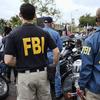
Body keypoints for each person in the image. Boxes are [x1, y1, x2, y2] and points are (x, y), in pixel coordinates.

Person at [4, 3, 60, 100]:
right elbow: (57, 51)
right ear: (34, 16)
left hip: (25, 76)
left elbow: (8, 60)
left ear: (20, 15)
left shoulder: (13, 34)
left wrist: (22, 62)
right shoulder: (44, 33)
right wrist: (53, 65)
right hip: (43, 74)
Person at [77, 8, 100, 100]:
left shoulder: (91, 40)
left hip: (96, 90)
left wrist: (81, 86)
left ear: (97, 20)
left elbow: (86, 66)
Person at [43, 17, 63, 100]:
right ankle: (58, 94)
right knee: (56, 75)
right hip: (53, 55)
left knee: (43, 75)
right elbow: (60, 47)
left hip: (42, 56)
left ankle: (45, 94)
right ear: (51, 23)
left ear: (44, 23)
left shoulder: (39, 32)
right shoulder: (55, 33)